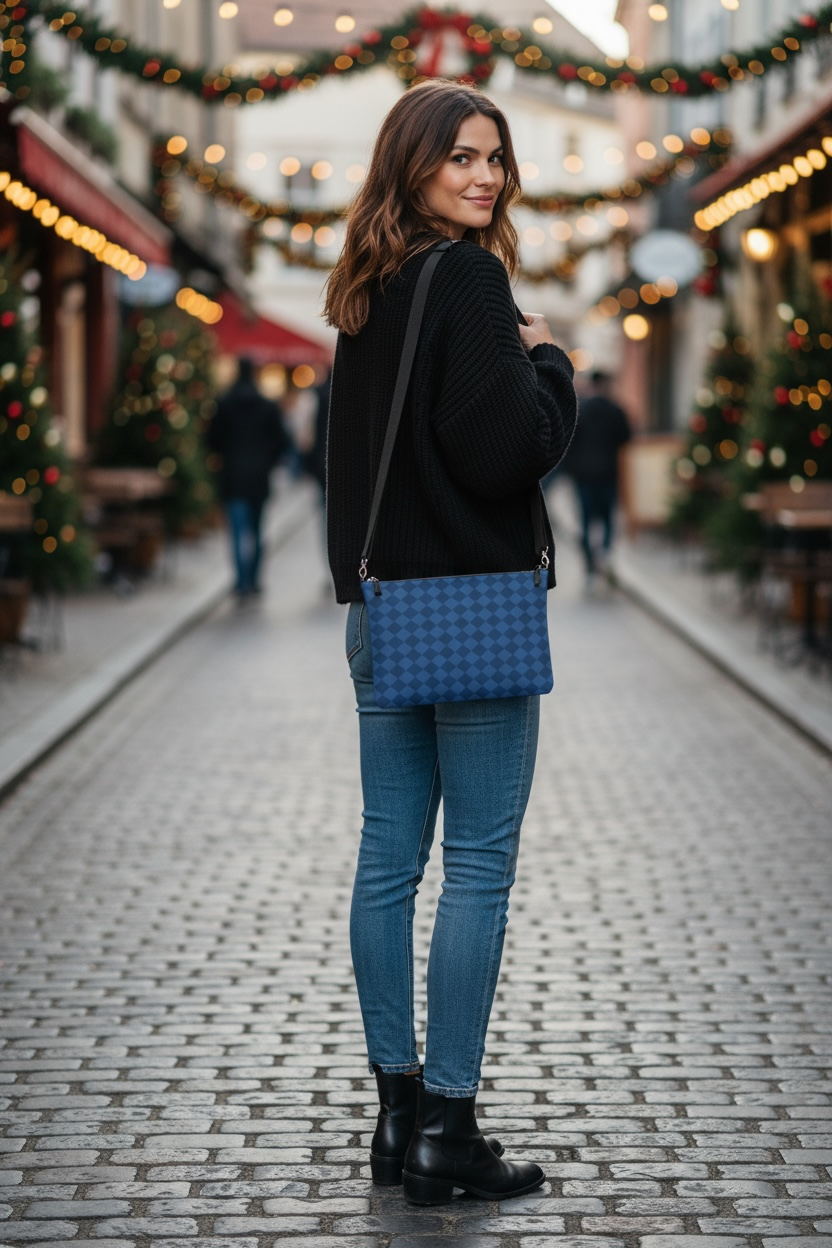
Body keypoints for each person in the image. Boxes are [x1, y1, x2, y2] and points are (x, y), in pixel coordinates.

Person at [324, 80, 577, 1205]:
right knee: (475, 865)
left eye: (495, 157)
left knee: (387, 862)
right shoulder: (469, 279)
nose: (484, 177)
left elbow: (348, 466)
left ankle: (394, 1116)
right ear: (412, 164)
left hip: (382, 611)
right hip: (470, 609)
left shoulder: (366, 289)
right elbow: (506, 448)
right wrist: (552, 364)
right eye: (460, 157)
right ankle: (448, 1133)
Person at [206, 357, 290, 600]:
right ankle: (253, 579)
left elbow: (212, 439)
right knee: (257, 531)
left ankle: (242, 582)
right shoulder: (267, 405)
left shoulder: (223, 403)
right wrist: (267, 461)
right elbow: (282, 441)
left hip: (232, 476)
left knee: (237, 532)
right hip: (259, 477)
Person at [561, 370, 631, 580]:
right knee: (607, 518)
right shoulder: (616, 410)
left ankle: (590, 566)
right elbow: (626, 438)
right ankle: (606, 554)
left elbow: (568, 442)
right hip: (608, 473)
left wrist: (570, 470)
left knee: (585, 521)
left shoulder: (580, 409)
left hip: (583, 476)